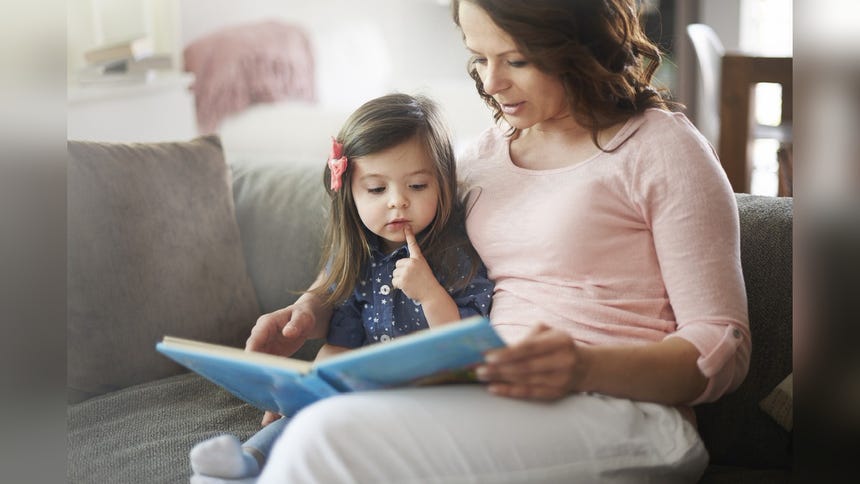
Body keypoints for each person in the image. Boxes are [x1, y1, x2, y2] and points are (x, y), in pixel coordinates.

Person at [250, 0, 752, 482]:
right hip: (485, 392)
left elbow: (723, 346)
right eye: (479, 57)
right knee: (322, 421)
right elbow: (382, 244)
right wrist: (315, 306)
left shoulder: (662, 149)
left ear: (579, 43)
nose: (491, 82)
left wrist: (581, 367)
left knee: (328, 438)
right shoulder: (479, 159)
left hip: (627, 415)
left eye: (516, 59)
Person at [188, 93, 493, 483]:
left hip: (426, 402)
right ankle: (246, 459)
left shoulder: (456, 257)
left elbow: (467, 348)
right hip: (360, 395)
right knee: (299, 419)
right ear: (349, 192)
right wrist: (309, 389)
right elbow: (340, 342)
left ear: (442, 185)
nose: (398, 202)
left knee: (332, 437)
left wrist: (430, 293)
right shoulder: (358, 257)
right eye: (377, 190)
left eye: (417, 186)